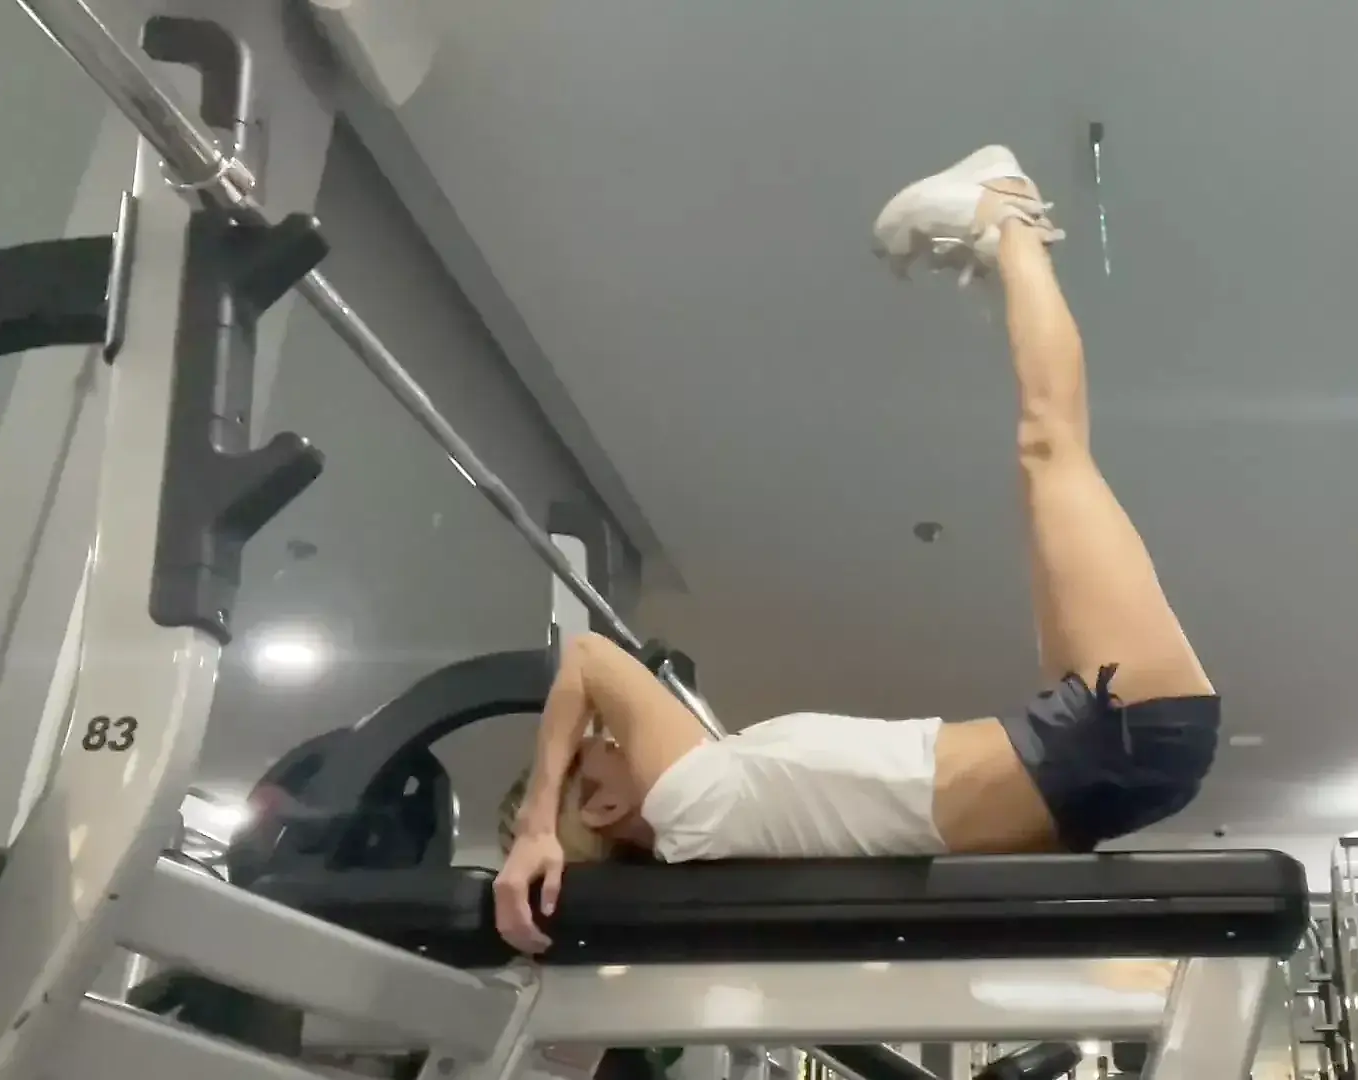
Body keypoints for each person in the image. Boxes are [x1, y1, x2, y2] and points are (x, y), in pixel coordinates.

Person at [493, 146, 1220, 955]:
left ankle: (1002, 249)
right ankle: (1004, 211)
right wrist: (537, 822)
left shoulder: (709, 829)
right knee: (1050, 446)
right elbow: (589, 660)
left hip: (1094, 763)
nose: (613, 737)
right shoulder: (685, 800)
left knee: (1044, 473)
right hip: (1111, 741)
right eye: (600, 752)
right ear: (600, 807)